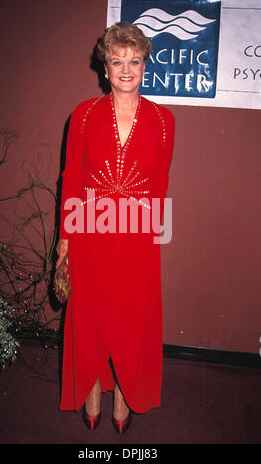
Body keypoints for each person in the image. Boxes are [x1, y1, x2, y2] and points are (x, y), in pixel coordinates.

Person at [56, 22, 175, 434]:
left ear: (145, 66)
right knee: (90, 317)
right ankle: (91, 391)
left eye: (134, 61)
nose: (126, 69)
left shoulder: (164, 121)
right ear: (104, 68)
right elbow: (71, 179)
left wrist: (155, 240)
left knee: (130, 320)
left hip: (137, 238)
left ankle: (123, 396)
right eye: (117, 61)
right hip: (89, 233)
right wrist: (65, 239)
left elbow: (160, 186)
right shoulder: (84, 114)